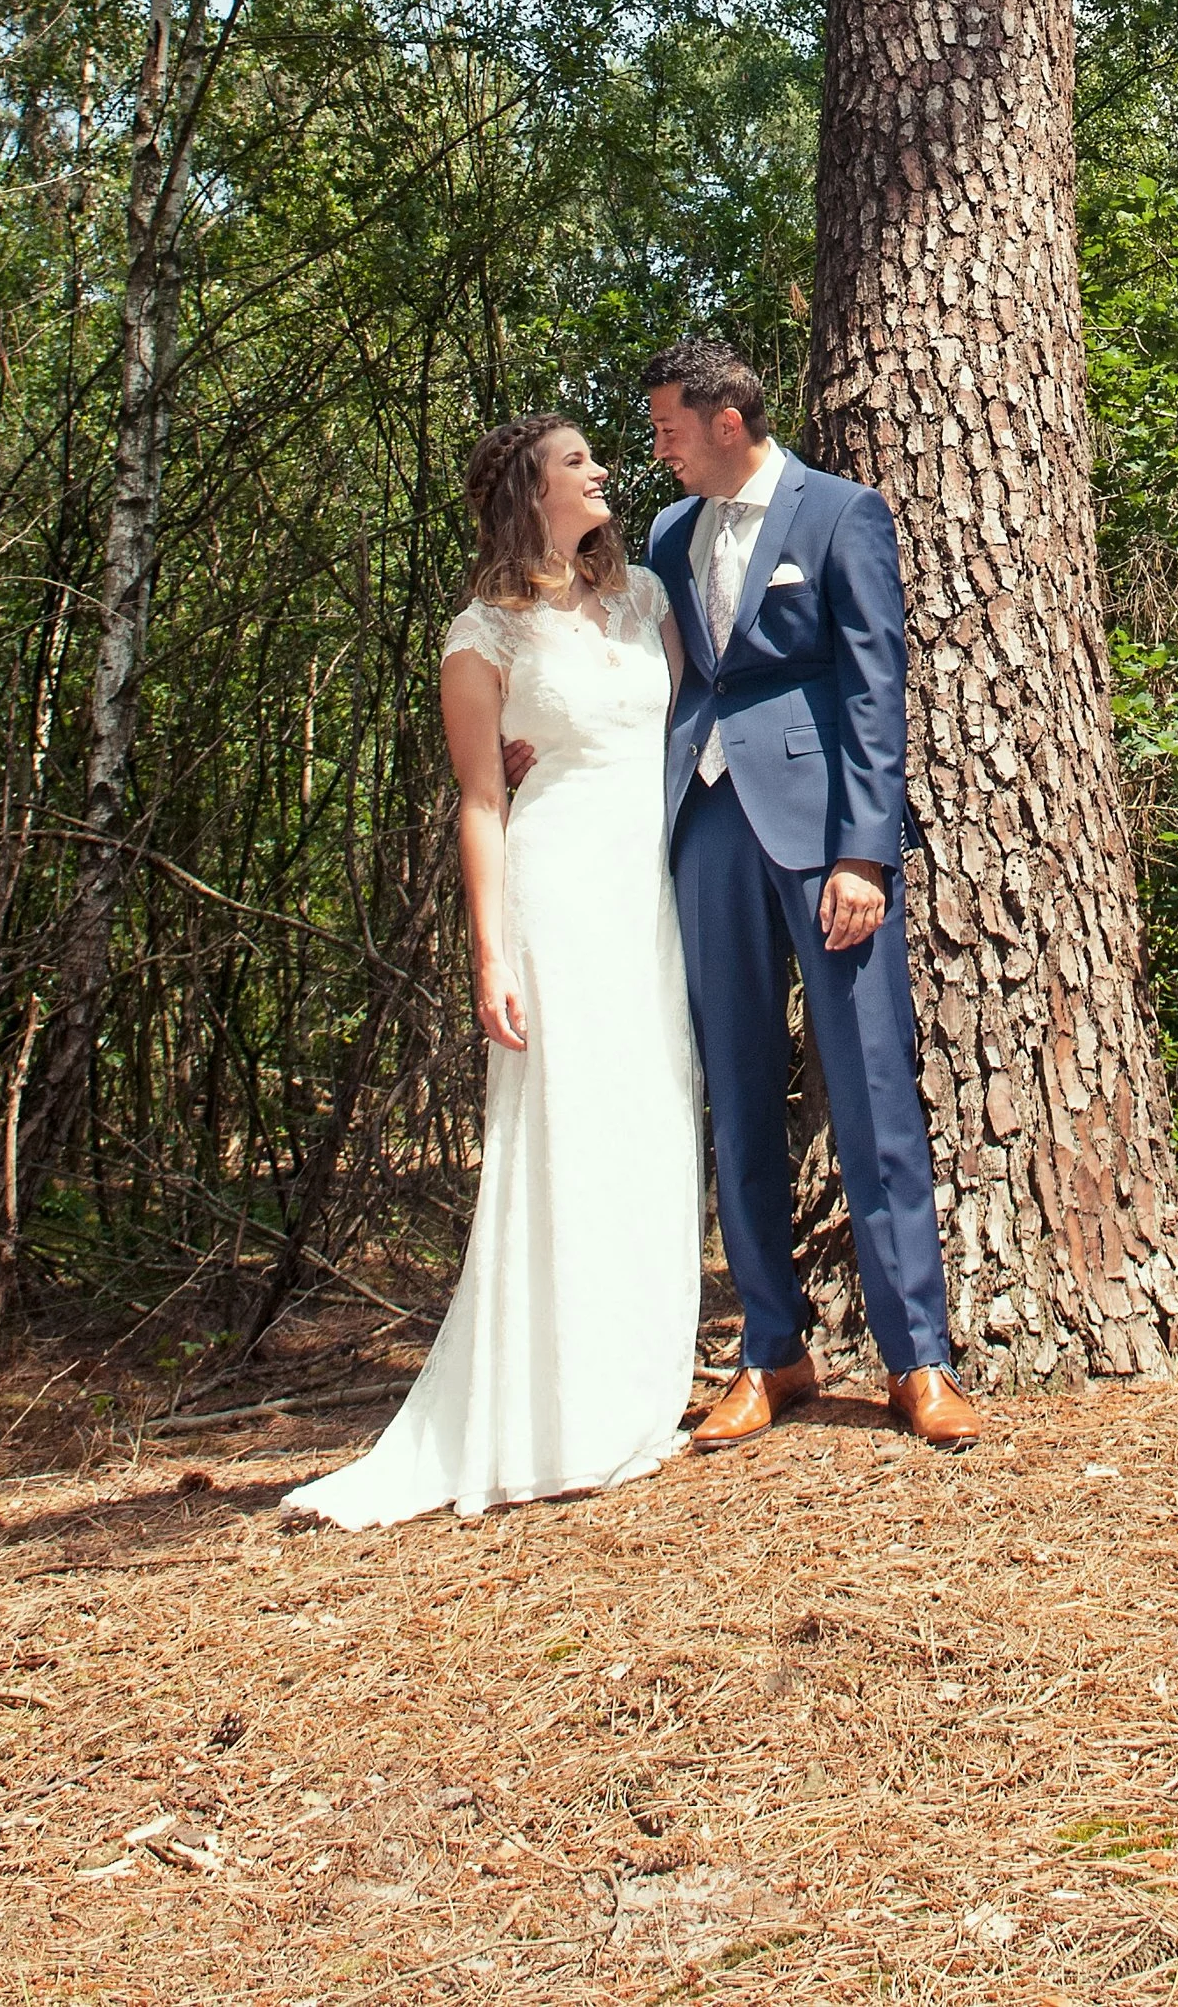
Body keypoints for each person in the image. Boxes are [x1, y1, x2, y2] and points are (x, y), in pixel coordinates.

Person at [281, 419, 701, 1525]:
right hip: (555, 890)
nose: (602, 470)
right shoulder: (481, 636)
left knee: (651, 1117)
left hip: (648, 891)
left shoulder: (647, 598)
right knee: (564, 1129)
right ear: (529, 487)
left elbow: (695, 724)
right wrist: (490, 951)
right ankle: (552, 1403)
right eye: (578, 461)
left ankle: (641, 1380)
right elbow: (481, 799)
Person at [642, 338, 983, 1451]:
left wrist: (865, 854)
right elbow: (652, 673)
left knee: (871, 1082)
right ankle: (770, 1349)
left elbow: (877, 685)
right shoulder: (663, 535)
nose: (659, 449)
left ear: (727, 420)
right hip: (705, 828)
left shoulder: (843, 513)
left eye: (669, 429)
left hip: (822, 837)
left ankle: (916, 1358)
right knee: (734, 1092)